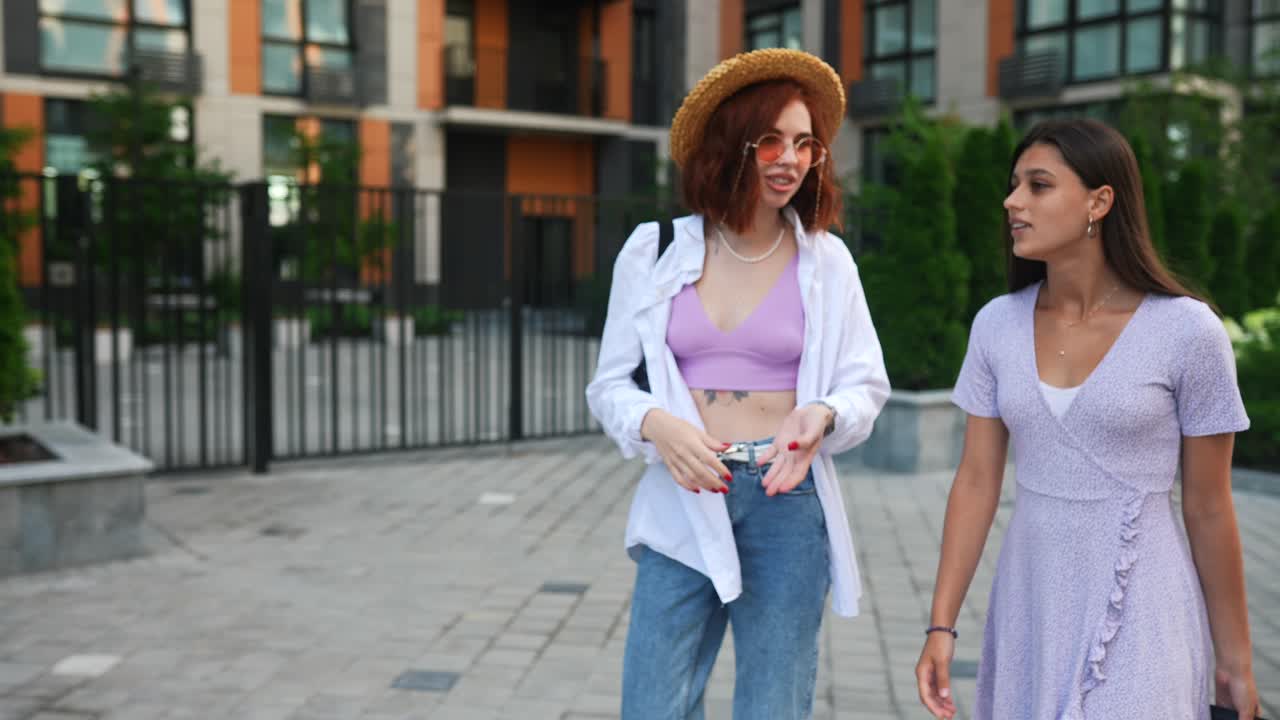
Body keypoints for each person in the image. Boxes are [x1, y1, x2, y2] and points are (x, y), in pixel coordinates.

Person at [915, 118, 1260, 720]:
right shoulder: (996, 324)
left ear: (1100, 201)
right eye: (1014, 184)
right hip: (1031, 602)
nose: (1012, 201)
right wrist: (941, 625)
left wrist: (1235, 661)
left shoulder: (1187, 331)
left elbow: (1208, 506)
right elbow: (975, 480)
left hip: (1143, 603)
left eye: (1039, 185)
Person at [585, 48, 889, 720]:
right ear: (730, 145)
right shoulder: (655, 249)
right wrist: (658, 426)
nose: (791, 158)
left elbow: (865, 384)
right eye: (771, 140)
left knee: (772, 706)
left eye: (806, 143)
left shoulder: (826, 260)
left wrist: (824, 414)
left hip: (785, 498)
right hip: (684, 492)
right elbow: (608, 387)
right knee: (653, 705)